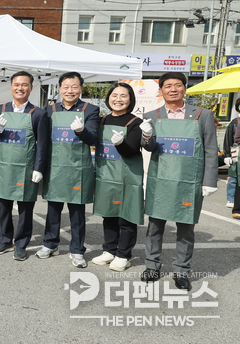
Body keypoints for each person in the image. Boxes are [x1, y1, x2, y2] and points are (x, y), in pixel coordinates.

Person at [140, 72, 219, 290]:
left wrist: (209, 180)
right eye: (168, 86)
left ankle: (182, 271)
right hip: (161, 180)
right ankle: (152, 266)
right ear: (161, 91)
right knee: (154, 227)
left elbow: (211, 149)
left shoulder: (202, 115)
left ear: (185, 88)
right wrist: (146, 137)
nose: (173, 89)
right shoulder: (152, 115)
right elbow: (148, 147)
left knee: (185, 228)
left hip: (188, 181)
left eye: (177, 85)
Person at [37, 72, 99, 268]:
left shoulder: (91, 110)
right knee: (53, 210)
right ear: (59, 89)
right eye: (65, 86)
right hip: (55, 166)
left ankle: (77, 250)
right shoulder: (50, 110)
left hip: (78, 169)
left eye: (74, 86)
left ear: (81, 88)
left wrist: (82, 131)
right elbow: (43, 141)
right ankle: (50, 243)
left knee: (77, 212)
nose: (69, 90)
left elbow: (93, 139)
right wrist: (39, 167)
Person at [0, 71, 50, 261]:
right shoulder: (0, 109)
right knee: (4, 206)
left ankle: (21, 243)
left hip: (25, 169)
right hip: (4, 167)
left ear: (31, 88)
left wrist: (38, 168)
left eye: (24, 85)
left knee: (25, 209)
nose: (20, 88)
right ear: (11, 86)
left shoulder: (38, 113)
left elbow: (43, 144)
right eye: (16, 84)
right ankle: (5, 240)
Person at [90, 83, 144, 272]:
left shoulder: (136, 122)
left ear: (130, 100)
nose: (118, 99)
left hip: (127, 176)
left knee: (126, 216)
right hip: (106, 175)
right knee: (109, 214)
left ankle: (124, 254)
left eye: (123, 96)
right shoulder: (101, 121)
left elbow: (130, 151)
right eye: (114, 95)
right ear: (108, 98)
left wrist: (120, 143)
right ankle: (109, 250)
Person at [222, 98, 240, 211]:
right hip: (236, 152)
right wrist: (227, 155)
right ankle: (231, 199)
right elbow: (228, 138)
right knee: (233, 176)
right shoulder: (234, 122)